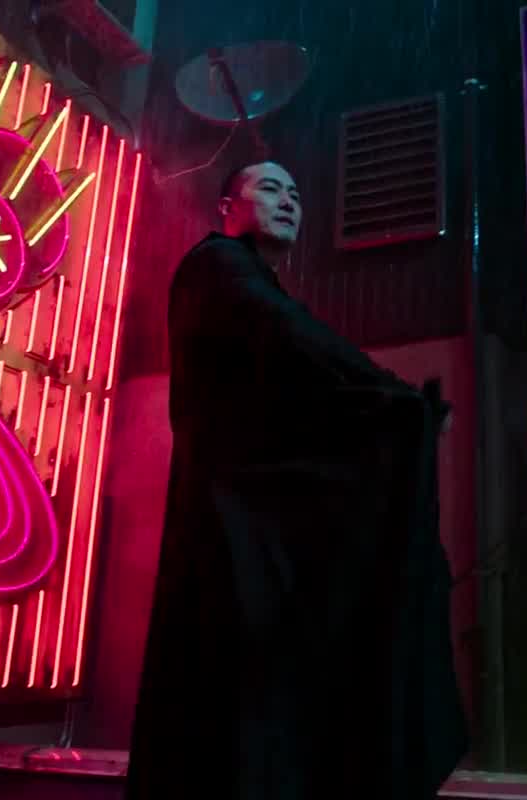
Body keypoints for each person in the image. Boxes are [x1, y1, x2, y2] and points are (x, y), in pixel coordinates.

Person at [126, 161, 467, 799]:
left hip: (238, 519)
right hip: (227, 521)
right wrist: (395, 399)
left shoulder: (249, 283)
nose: (289, 202)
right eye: (271, 188)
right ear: (227, 206)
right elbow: (298, 345)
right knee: (241, 693)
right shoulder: (216, 265)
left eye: (297, 194)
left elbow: (301, 383)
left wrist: (392, 409)